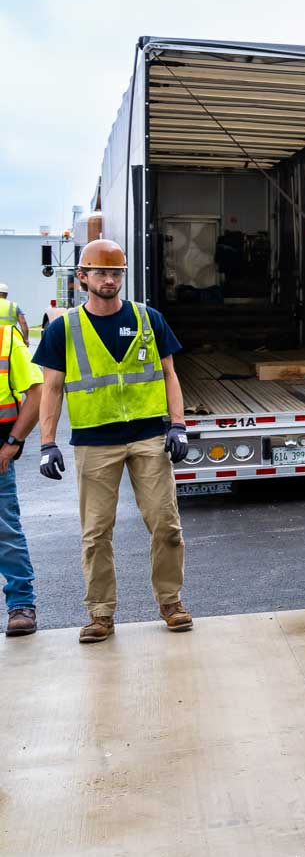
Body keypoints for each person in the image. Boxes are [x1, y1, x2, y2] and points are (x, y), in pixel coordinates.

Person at [35, 239, 193, 643]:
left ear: (124, 276)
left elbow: (169, 374)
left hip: (148, 437)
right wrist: (47, 443)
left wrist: (178, 424)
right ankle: (101, 614)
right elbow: (51, 389)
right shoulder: (64, 328)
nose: (109, 279)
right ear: (83, 277)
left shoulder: (148, 318)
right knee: (95, 533)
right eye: (101, 273)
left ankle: (171, 602)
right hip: (94, 442)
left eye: (116, 273)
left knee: (166, 524)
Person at [0, 318, 43, 636]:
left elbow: (37, 393)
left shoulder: (5, 338)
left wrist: (11, 445)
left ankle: (21, 605)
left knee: (5, 533)